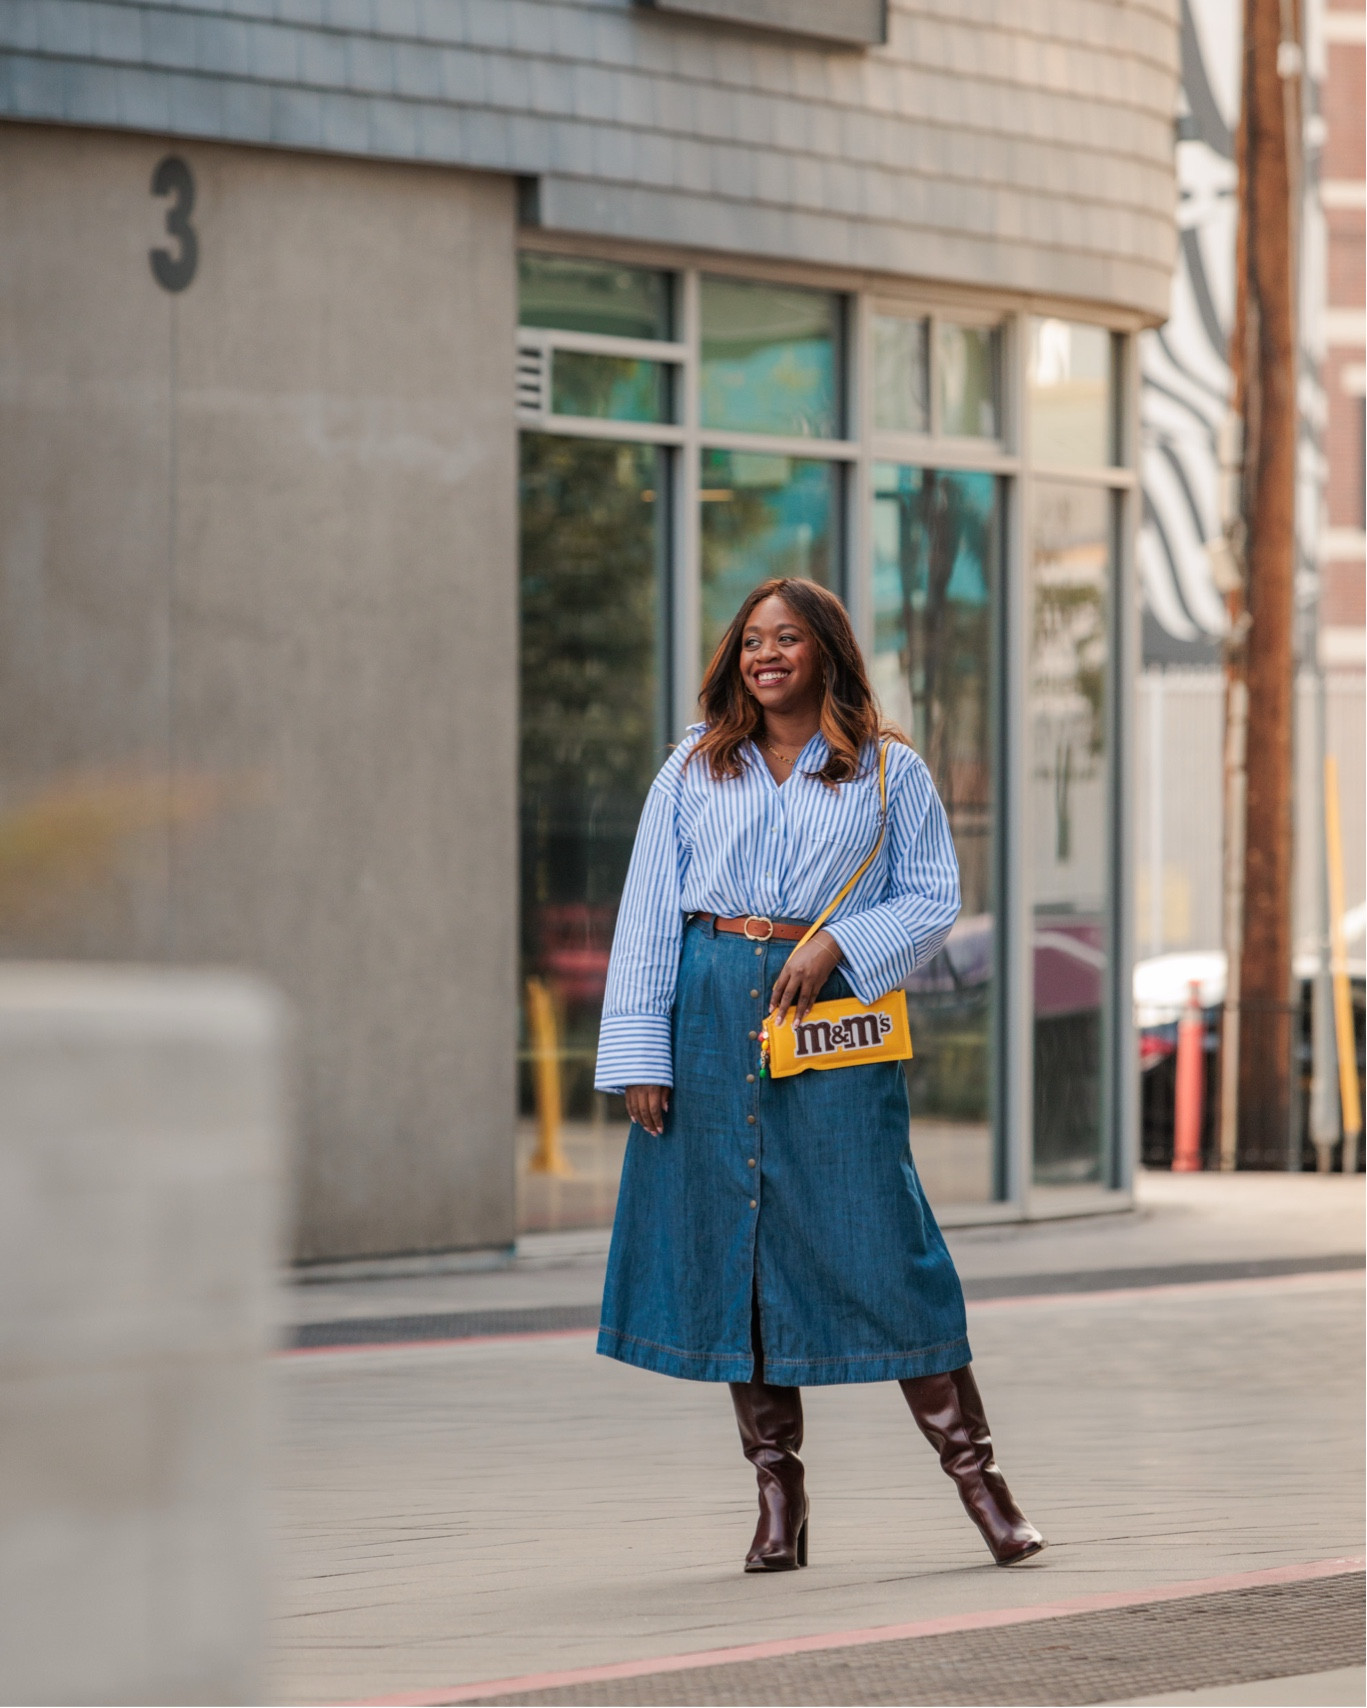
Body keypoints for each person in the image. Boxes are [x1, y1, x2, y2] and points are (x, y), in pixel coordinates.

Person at [594, 576, 1044, 1574]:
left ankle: (980, 1484)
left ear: (826, 652)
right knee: (736, 1245)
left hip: (829, 1012)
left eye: (786, 638)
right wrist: (639, 1053)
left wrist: (837, 942)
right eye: (752, 639)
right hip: (710, 1007)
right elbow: (647, 908)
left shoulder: (887, 770)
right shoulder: (692, 766)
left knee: (884, 1237)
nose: (765, 654)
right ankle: (777, 1494)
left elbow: (929, 896)